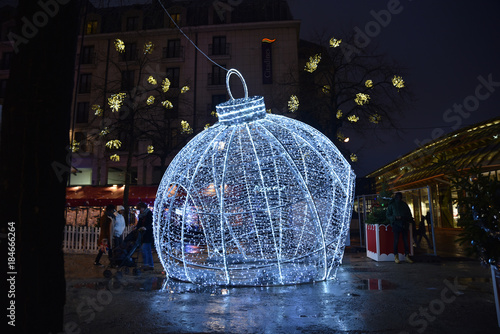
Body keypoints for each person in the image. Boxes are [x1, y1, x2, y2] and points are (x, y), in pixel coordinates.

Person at [386, 192, 413, 264]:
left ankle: (398, 256)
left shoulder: (399, 205)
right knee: (402, 241)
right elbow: (388, 215)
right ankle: (404, 256)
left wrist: (395, 218)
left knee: (398, 240)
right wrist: (395, 218)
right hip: (400, 224)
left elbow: (388, 215)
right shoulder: (401, 205)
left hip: (400, 224)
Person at [136, 202, 154, 270]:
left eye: (141, 209)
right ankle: (150, 265)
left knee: (144, 249)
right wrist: (137, 227)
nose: (141, 210)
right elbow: (139, 223)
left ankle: (146, 264)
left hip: (148, 234)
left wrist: (146, 228)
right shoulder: (141, 215)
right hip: (143, 234)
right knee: (148, 250)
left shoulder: (149, 214)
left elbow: (151, 224)